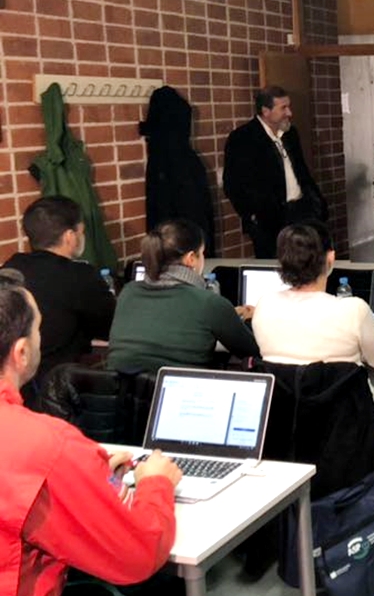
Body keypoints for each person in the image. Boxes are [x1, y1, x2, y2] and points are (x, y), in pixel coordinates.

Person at [0, 268, 183, 596]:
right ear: (22, 352)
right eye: (40, 328)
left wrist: (85, 472)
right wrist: (156, 483)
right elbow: (137, 555)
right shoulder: (46, 444)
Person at [251, 221, 374, 421]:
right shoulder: (353, 309)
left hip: (286, 422)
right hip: (347, 424)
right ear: (330, 258)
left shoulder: (264, 305)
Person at [107, 219, 258, 373]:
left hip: (122, 393)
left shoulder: (128, 292)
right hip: (181, 393)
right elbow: (253, 351)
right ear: (191, 258)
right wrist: (254, 318)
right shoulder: (209, 303)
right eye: (202, 253)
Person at [3, 196, 115, 387]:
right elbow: (111, 328)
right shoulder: (81, 276)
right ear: (70, 236)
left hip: (13, 381)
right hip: (58, 387)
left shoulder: (12, 267)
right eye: (82, 231)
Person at [223, 86, 328, 259]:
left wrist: (318, 204)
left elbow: (302, 171)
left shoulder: (290, 134)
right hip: (269, 220)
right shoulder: (243, 138)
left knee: (308, 264)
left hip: (302, 212)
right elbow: (233, 185)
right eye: (283, 108)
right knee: (275, 268)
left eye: (289, 106)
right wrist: (254, 215)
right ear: (266, 111)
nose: (290, 113)